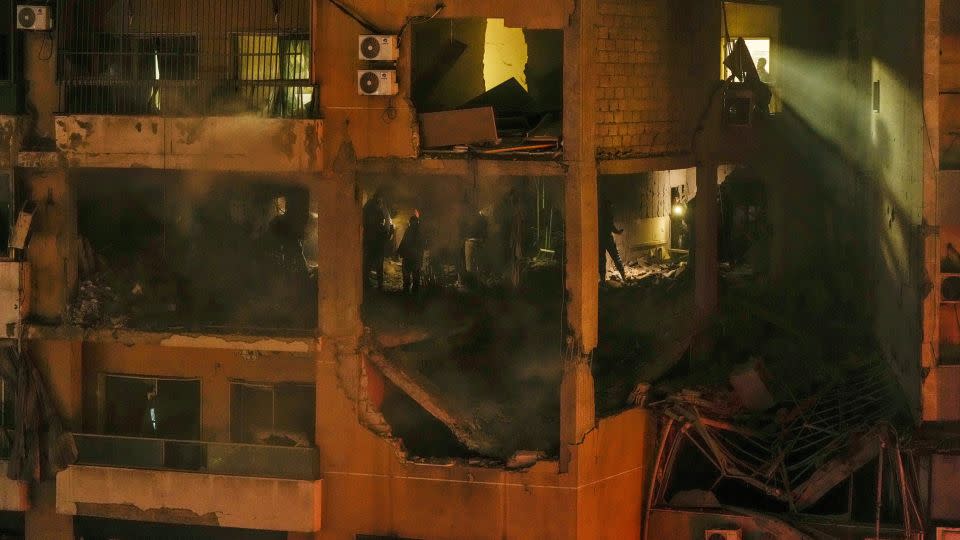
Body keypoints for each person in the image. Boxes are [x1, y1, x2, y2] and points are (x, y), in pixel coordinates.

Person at [362, 191, 394, 291]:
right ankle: (379, 285)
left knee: (368, 263)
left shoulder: (368, 207)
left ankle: (366, 283)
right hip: (376, 245)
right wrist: (390, 230)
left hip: (369, 242)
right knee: (377, 265)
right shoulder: (376, 210)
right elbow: (386, 236)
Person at [599, 198, 627, 282]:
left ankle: (603, 280)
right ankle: (624, 277)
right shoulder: (608, 214)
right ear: (608, 206)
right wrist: (618, 232)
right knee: (616, 257)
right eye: (610, 206)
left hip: (600, 239)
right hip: (607, 238)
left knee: (602, 260)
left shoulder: (598, 214)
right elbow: (611, 226)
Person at [397, 212, 425, 294]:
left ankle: (409, 291)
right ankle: (413, 291)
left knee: (409, 275)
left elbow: (404, 242)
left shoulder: (410, 231)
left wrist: (400, 252)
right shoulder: (418, 231)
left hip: (410, 257)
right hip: (414, 257)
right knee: (414, 275)